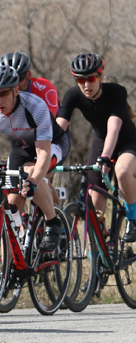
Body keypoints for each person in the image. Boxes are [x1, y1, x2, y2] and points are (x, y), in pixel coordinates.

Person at [0, 62, 67, 250]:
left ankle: (52, 223)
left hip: (53, 144)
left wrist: (33, 181)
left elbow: (43, 151)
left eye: (3, 94)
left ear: (16, 91)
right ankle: (9, 271)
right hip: (22, 148)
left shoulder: (35, 106)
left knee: (30, 173)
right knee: (12, 204)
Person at [56, 52, 136, 241]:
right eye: (80, 80)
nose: (86, 85)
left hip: (127, 142)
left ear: (101, 76)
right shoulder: (72, 95)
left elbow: (114, 127)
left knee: (122, 171)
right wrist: (44, 153)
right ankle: (98, 251)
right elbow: (59, 128)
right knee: (94, 196)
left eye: (91, 79)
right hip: (100, 142)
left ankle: (133, 217)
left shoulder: (116, 91)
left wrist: (106, 157)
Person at [0, 51, 59, 117]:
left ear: (28, 75)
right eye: (9, 80)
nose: (15, 84)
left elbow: (49, 121)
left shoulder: (44, 87)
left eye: (19, 78)